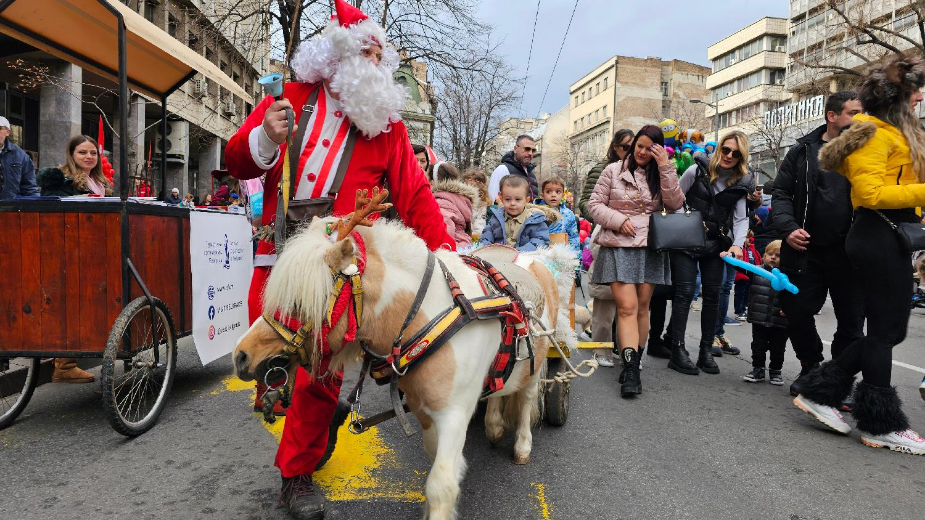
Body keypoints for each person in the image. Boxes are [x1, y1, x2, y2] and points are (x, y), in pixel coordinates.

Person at [226, 2, 455, 518]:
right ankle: (301, 408)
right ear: (337, 55)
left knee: (319, 374)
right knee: (272, 360)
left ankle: (296, 475)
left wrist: (448, 260)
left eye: (380, 56)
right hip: (281, 255)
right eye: (365, 52)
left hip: (339, 269)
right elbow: (236, 160)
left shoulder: (388, 127)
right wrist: (267, 137)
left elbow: (416, 197)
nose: (375, 63)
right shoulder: (289, 99)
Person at [791, 55, 925, 455]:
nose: (920, 97)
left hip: (890, 235)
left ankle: (820, 391)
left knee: (893, 331)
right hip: (876, 234)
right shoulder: (873, 134)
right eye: (914, 91)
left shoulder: (896, 132)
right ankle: (881, 425)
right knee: (884, 332)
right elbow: (870, 194)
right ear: (895, 97)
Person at [772, 91, 866, 398]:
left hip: (849, 253)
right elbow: (781, 193)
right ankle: (811, 365)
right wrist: (788, 229)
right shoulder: (802, 150)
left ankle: (837, 379)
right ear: (832, 116)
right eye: (853, 113)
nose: (859, 120)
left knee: (851, 322)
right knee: (796, 311)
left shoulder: (866, 151)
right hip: (805, 251)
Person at [589, 124, 683, 397]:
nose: (642, 152)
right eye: (638, 146)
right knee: (627, 307)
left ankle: (634, 360)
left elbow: (675, 204)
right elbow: (595, 205)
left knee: (642, 308)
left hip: (650, 247)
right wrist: (619, 221)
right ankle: (631, 370)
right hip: (619, 245)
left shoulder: (662, 172)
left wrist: (665, 167)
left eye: (648, 148)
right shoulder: (613, 170)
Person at [667, 131, 753, 376]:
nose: (729, 155)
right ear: (719, 149)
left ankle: (705, 350)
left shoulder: (741, 181)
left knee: (713, 295)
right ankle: (677, 350)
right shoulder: (696, 170)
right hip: (686, 241)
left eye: (736, 153)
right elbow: (675, 199)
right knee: (684, 293)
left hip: (716, 244)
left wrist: (738, 245)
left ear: (741, 157)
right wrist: (688, 222)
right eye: (725, 149)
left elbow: (741, 219)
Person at [741, 240, 788, 385]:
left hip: (780, 320)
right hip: (759, 317)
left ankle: (776, 371)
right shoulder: (756, 270)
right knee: (758, 346)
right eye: (770, 254)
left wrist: (789, 309)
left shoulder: (788, 276)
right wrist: (729, 257)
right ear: (764, 256)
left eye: (778, 255)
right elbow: (740, 266)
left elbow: (795, 296)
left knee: (778, 348)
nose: (773, 257)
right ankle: (758, 369)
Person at [478, 175, 551, 251]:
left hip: (525, 255)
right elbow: (486, 236)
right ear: (501, 198)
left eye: (518, 199)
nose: (512, 203)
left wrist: (520, 252)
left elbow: (540, 240)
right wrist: (487, 248)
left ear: (526, 200)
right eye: (508, 199)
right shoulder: (496, 218)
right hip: (499, 255)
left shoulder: (535, 220)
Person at [579, 129, 634, 222]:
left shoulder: (638, 170)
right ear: (615, 147)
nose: (631, 152)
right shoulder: (601, 169)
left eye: (634, 148)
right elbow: (586, 201)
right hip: (606, 226)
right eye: (626, 147)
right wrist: (604, 219)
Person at [37, 135, 112, 198]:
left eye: (93, 153)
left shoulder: (101, 183)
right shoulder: (59, 182)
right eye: (82, 152)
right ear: (71, 155)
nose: (89, 156)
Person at [431, 162, 478, 249]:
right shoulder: (461, 198)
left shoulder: (441, 202)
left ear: (433, 182)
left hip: (453, 248)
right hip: (464, 244)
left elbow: (446, 231)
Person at [487, 135, 538, 201]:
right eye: (527, 149)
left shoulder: (531, 174)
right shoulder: (503, 169)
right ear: (515, 149)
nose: (530, 153)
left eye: (533, 150)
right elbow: (492, 200)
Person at [0, 116, 38, 200]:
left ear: (8, 132)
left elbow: (29, 188)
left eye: (0, 129)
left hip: (11, 206)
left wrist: (34, 205)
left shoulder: (20, 155)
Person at [539, 177, 580, 254]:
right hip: (542, 252)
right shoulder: (537, 213)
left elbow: (573, 237)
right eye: (548, 192)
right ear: (542, 195)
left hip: (562, 253)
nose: (553, 195)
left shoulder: (568, 214)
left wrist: (575, 256)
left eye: (558, 192)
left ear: (563, 195)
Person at [733, 230, 761, 321]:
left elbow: (758, 260)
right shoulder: (740, 249)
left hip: (751, 275)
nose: (750, 239)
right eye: (747, 237)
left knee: (748, 293)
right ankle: (739, 310)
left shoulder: (753, 249)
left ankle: (744, 308)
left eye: (751, 237)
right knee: (740, 293)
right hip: (742, 275)